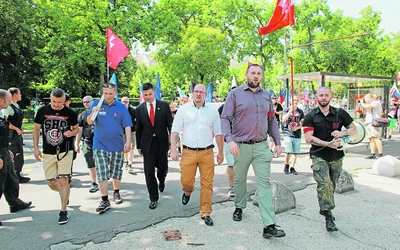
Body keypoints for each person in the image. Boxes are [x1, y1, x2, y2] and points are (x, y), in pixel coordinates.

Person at [221, 64, 285, 238]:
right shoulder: (235, 94)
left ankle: (269, 225)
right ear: (246, 75)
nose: (256, 76)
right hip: (240, 147)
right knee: (240, 181)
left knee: (264, 185)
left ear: (261, 76)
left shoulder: (266, 96)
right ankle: (239, 207)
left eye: (259, 74)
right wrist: (230, 140)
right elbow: (225, 118)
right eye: (253, 73)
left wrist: (277, 142)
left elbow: (271, 120)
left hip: (262, 147)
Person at [302, 87, 356, 232]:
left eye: (326, 95)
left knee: (331, 184)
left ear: (330, 97)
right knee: (325, 184)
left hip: (337, 156)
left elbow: (354, 129)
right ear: (317, 97)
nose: (324, 98)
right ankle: (328, 217)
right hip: (319, 155)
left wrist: (342, 132)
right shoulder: (310, 116)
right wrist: (327, 144)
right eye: (321, 95)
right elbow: (308, 137)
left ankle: (323, 205)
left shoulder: (340, 113)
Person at [170, 84, 223, 227]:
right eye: (196, 92)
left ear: (206, 95)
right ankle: (187, 192)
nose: (198, 94)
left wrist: (221, 152)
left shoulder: (213, 112)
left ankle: (206, 212)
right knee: (186, 181)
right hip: (188, 152)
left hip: (207, 153)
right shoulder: (183, 110)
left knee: (207, 184)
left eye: (201, 92)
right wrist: (173, 149)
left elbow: (218, 133)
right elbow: (175, 130)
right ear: (192, 93)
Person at [33, 88, 78, 224]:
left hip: (65, 150)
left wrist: (71, 133)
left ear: (64, 100)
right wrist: (36, 148)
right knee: (51, 182)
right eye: (54, 101)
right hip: (48, 151)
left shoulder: (70, 113)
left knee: (64, 180)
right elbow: (36, 130)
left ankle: (63, 211)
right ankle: (64, 193)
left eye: (59, 102)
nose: (56, 105)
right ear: (50, 98)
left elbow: (76, 128)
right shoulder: (42, 111)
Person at [87, 82, 132, 214]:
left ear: (115, 93)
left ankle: (116, 192)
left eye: (110, 93)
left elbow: (127, 126)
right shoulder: (97, 104)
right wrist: (93, 113)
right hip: (99, 144)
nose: (108, 96)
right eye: (105, 93)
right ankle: (104, 199)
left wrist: (128, 142)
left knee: (116, 171)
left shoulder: (121, 107)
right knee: (102, 172)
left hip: (117, 145)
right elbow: (89, 122)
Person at [136, 83, 173, 210]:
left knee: (162, 167)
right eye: (145, 95)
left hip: (161, 143)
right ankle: (153, 198)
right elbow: (139, 128)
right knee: (149, 171)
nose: (148, 97)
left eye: (150, 94)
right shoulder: (139, 109)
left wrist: (172, 142)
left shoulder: (164, 106)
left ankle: (161, 179)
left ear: (154, 93)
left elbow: (170, 125)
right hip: (147, 144)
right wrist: (139, 146)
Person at [0, 89, 32, 226]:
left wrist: (6, 150)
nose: (9, 103)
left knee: (11, 178)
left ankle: (15, 202)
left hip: (4, 150)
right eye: (8, 100)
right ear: (1, 100)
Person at [3, 87, 30, 183]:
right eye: (19, 93)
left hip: (17, 133)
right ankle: (13, 176)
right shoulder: (8, 107)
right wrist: (16, 129)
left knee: (19, 154)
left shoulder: (16, 106)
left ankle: (17, 173)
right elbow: (5, 122)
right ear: (14, 94)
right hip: (11, 135)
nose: (21, 95)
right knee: (15, 154)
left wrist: (19, 128)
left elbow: (16, 121)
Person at [75, 96, 98, 193]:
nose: (86, 103)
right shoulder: (81, 115)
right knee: (90, 162)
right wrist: (77, 144)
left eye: (88, 101)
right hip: (88, 142)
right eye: (84, 102)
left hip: (101, 142)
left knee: (102, 162)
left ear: (92, 101)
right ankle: (94, 182)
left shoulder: (100, 112)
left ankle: (102, 178)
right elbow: (79, 131)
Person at [218, 87, 236, 197]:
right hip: (228, 141)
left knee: (241, 165)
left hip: (242, 140)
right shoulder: (222, 107)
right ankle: (232, 187)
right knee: (231, 164)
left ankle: (240, 185)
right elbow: (218, 123)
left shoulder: (243, 106)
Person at [282, 96, 304, 175]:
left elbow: (303, 123)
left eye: (297, 100)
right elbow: (283, 120)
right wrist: (290, 111)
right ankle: (286, 164)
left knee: (295, 152)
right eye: (294, 100)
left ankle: (292, 167)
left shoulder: (300, 111)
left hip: (297, 134)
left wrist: (297, 128)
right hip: (288, 133)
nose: (295, 101)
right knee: (288, 151)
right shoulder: (286, 109)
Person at [360, 94, 384, 159]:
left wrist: (362, 103)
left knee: (376, 137)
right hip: (368, 122)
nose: (365, 100)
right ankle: (372, 153)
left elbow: (369, 107)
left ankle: (380, 153)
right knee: (371, 139)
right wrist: (363, 106)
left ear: (369, 98)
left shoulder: (376, 102)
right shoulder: (368, 104)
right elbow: (364, 112)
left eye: (366, 99)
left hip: (374, 122)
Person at [64, 94, 78, 185]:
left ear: (69, 101)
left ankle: (68, 177)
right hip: (59, 138)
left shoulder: (72, 112)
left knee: (70, 158)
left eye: (65, 100)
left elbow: (76, 127)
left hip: (70, 137)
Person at [121, 96, 136, 173]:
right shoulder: (119, 110)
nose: (124, 103)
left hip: (132, 131)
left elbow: (136, 121)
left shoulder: (132, 111)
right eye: (123, 101)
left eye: (126, 102)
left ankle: (130, 163)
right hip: (122, 132)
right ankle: (126, 161)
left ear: (129, 102)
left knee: (132, 147)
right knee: (125, 148)